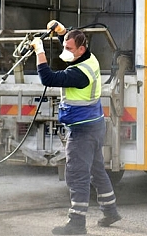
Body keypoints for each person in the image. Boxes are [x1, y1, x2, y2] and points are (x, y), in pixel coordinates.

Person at [30, 20, 122, 235]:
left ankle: (76, 223)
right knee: (96, 169)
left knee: (76, 174)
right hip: (95, 125)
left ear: (81, 49)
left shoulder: (79, 74)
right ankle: (111, 211)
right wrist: (62, 31)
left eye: (69, 48)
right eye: (65, 46)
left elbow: (48, 78)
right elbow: (71, 44)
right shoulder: (90, 58)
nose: (65, 50)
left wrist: (39, 51)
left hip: (82, 131)